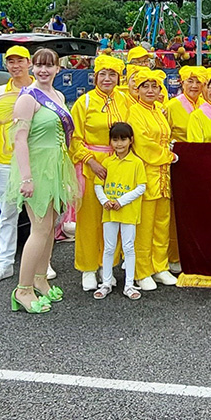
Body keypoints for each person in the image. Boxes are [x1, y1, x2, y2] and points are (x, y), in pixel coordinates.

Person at [4, 48, 77, 313]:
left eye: (50, 66)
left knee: (49, 229)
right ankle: (22, 290)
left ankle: (40, 280)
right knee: (39, 229)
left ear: (58, 69)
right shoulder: (28, 98)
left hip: (56, 168)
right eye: (39, 65)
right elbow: (19, 139)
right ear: (32, 67)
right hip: (36, 169)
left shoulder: (57, 95)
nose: (44, 70)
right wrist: (26, 177)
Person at [68, 54, 127, 293]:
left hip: (119, 164)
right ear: (95, 76)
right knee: (90, 219)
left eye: (112, 74)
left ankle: (108, 265)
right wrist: (90, 161)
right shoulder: (84, 102)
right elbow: (74, 138)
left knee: (113, 218)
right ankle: (88, 268)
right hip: (93, 166)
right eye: (103, 74)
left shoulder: (125, 100)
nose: (107, 79)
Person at [0, 46, 37, 285]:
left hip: (36, 161)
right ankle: (4, 263)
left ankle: (40, 264)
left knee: (40, 215)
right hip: (5, 162)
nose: (15, 66)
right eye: (10, 62)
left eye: (20, 61)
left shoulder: (39, 90)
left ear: (29, 63)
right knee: (8, 214)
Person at [127, 69, 179, 291]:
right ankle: (142, 270)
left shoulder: (159, 110)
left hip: (163, 175)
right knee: (144, 226)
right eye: (145, 86)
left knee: (161, 224)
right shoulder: (134, 112)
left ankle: (160, 266)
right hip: (146, 174)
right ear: (137, 90)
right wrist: (169, 155)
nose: (150, 91)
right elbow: (143, 144)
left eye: (154, 86)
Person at [93, 122, 146, 301]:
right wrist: (106, 201)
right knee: (108, 247)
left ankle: (129, 284)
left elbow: (141, 187)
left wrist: (121, 202)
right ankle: (106, 282)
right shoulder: (107, 162)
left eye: (123, 139)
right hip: (110, 212)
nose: (119, 143)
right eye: (115, 140)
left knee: (128, 247)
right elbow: (98, 185)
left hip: (128, 212)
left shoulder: (137, 162)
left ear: (131, 140)